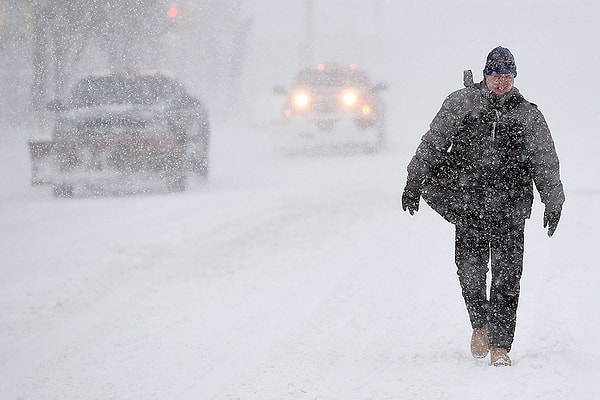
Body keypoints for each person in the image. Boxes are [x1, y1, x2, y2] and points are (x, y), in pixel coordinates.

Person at [401, 46, 565, 366]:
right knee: (471, 273)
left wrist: (553, 200)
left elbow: (544, 159)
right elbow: (433, 143)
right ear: (485, 74)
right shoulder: (461, 104)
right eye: (495, 75)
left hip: (510, 207)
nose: (501, 82)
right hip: (468, 203)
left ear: (514, 77)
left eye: (507, 76)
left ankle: (501, 347)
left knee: (507, 277)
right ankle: (480, 324)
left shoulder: (527, 114)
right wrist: (413, 181)